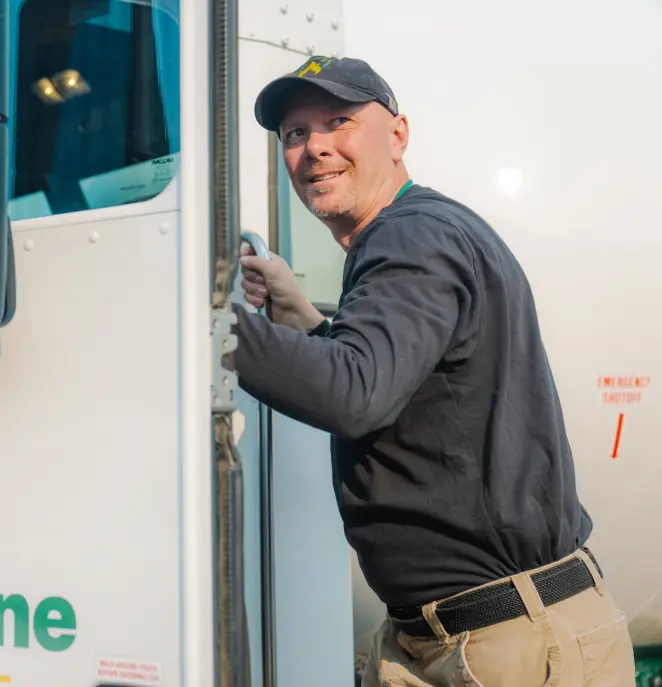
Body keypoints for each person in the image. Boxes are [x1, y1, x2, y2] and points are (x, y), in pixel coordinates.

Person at [232, 55, 635, 686]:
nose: (314, 148)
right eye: (295, 134)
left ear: (397, 135)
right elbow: (405, 388)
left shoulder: (409, 237)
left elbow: (354, 391)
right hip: (468, 636)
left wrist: (208, 329)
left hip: (509, 645)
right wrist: (303, 318)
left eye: (338, 120)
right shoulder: (425, 229)